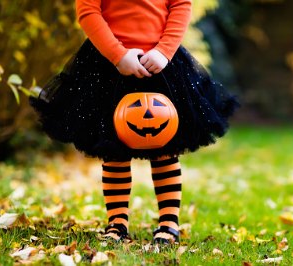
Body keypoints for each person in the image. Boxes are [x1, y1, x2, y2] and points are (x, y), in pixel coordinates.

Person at [30, 0, 239, 244]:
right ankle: (117, 223)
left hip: (161, 63)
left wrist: (164, 51)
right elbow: (88, 11)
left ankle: (169, 223)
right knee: (114, 149)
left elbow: (181, 5)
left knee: (165, 149)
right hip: (108, 66)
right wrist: (118, 55)